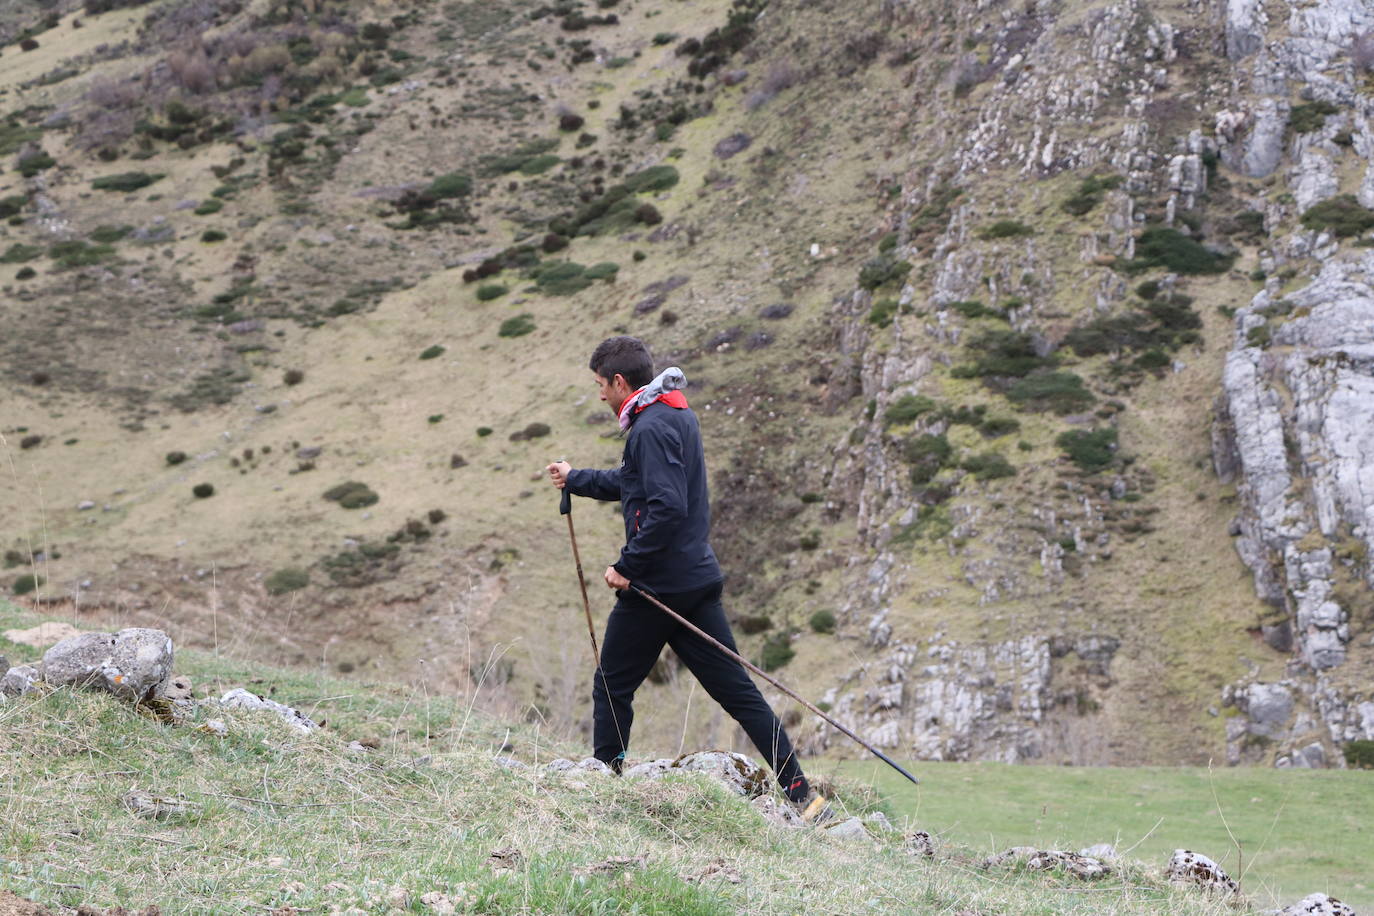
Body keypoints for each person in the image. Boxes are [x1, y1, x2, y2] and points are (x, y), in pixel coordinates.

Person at [546, 335, 816, 807]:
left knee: (612, 684)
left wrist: (626, 567)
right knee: (739, 694)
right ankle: (801, 795)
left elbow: (666, 508)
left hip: (656, 589)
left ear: (618, 380)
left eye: (600, 386)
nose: (600, 396)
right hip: (694, 581)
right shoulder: (674, 415)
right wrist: (577, 480)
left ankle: (605, 789)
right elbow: (636, 485)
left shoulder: (649, 429)